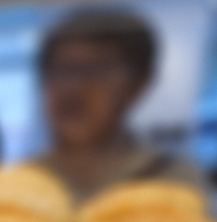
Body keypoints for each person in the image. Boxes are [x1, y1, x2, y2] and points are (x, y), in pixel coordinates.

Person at [34, 9, 207, 202]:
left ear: (137, 84)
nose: (72, 87)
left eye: (92, 70)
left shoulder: (172, 181)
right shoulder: (23, 181)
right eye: (61, 70)